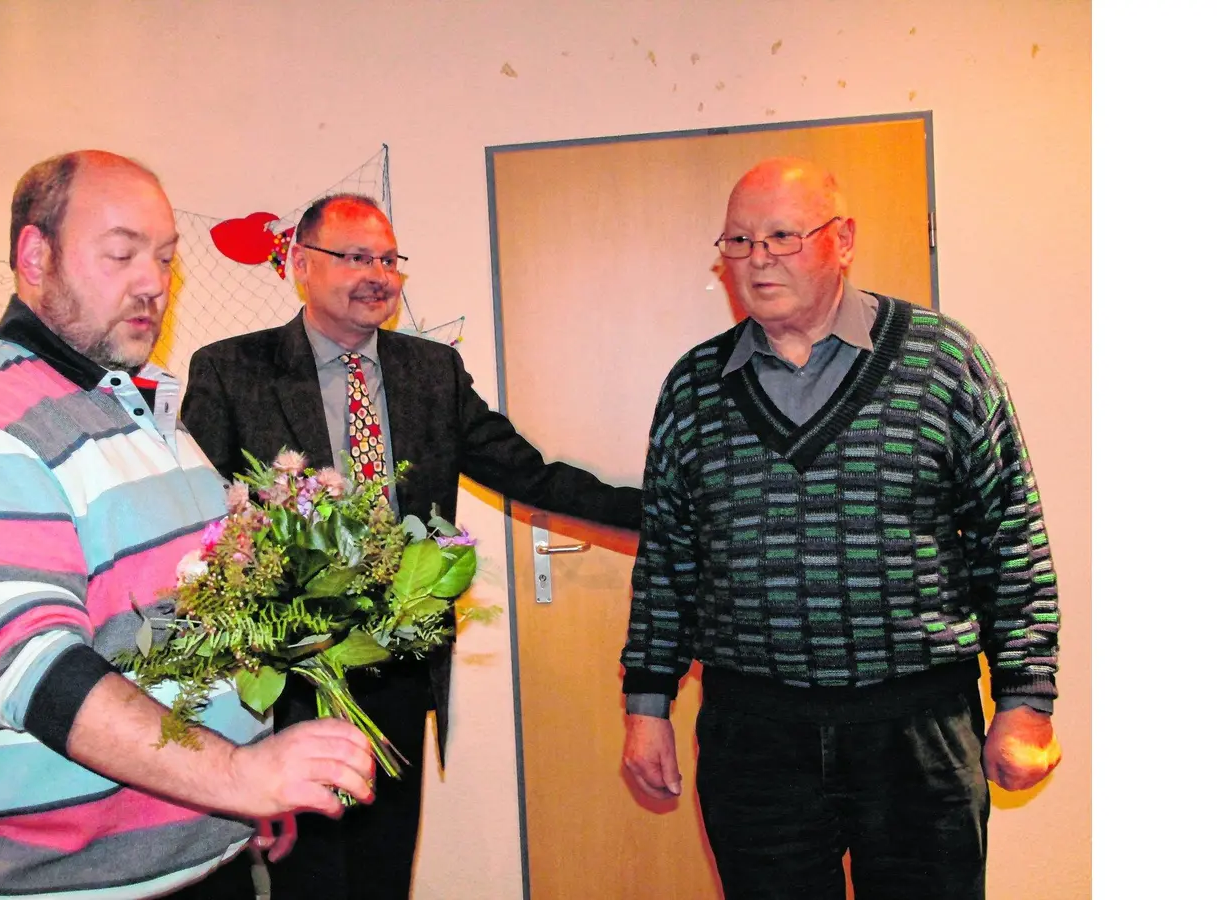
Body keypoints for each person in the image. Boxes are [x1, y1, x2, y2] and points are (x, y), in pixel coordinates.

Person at [0, 151, 377, 900]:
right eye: (122, 253)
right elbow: (33, 667)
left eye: (167, 258)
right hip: (45, 887)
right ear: (34, 256)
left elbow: (195, 618)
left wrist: (234, 790)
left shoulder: (135, 408)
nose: (155, 283)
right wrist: (235, 773)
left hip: (192, 856)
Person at [620, 157, 1063, 899]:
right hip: (753, 735)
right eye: (738, 241)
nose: (757, 259)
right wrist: (647, 705)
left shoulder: (944, 360)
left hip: (918, 730)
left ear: (844, 238)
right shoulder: (694, 385)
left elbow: (1010, 537)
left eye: (782, 236)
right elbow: (668, 558)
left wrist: (1026, 700)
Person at [180, 193, 641, 899]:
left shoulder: (432, 371)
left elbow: (525, 472)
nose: (379, 275)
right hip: (289, 678)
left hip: (398, 668)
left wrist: (651, 514)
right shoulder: (231, 370)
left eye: (389, 259)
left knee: (383, 873)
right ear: (301, 264)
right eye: (356, 257)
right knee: (307, 881)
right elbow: (195, 522)